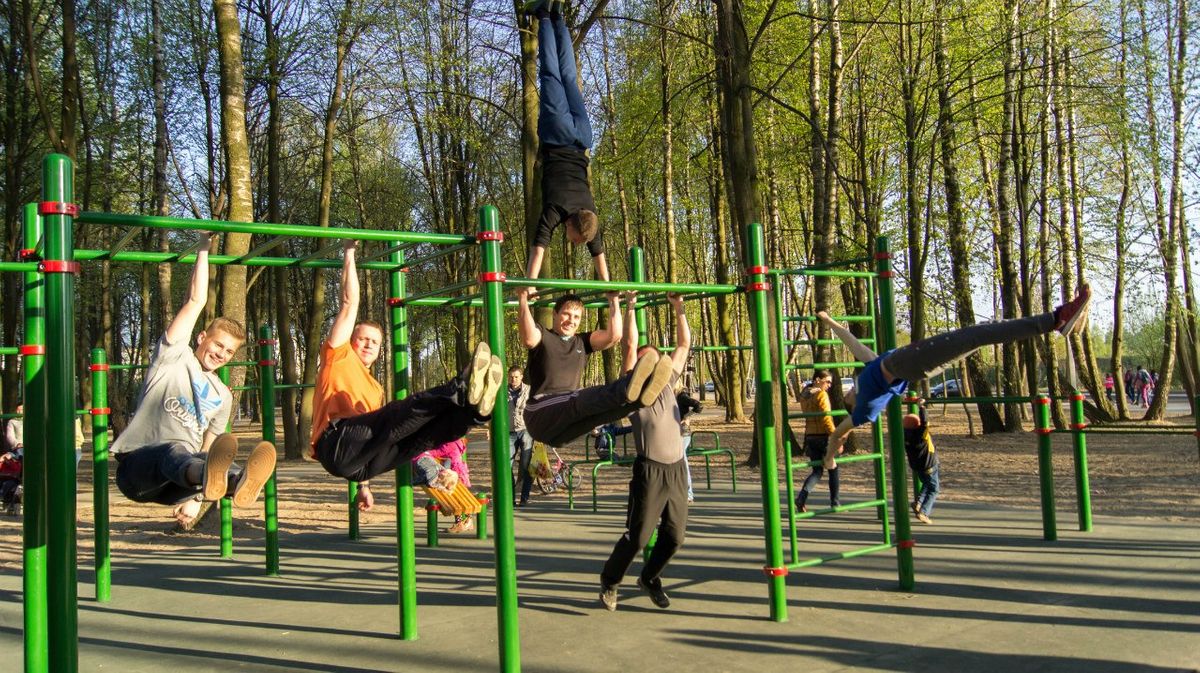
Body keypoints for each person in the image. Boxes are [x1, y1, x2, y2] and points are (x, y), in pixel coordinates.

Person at [310, 240, 504, 512]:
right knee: (399, 413)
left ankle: (474, 412)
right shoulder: (337, 356)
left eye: (374, 342)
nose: (367, 344)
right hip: (335, 442)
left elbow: (377, 437)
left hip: (360, 464)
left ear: (379, 350)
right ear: (350, 340)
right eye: (362, 338)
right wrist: (349, 253)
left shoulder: (374, 388)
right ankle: (459, 386)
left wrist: (364, 486)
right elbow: (348, 302)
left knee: (419, 437)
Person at [818, 284, 1092, 469]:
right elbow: (838, 435)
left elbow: (853, 343)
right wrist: (830, 458)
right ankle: (1056, 319)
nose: (847, 391)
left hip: (914, 360)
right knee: (978, 333)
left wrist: (829, 322)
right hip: (912, 362)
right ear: (852, 403)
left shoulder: (870, 371)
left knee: (980, 333)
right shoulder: (866, 409)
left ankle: (1059, 320)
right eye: (846, 395)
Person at [112, 232, 276, 525]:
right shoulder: (173, 357)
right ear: (201, 337)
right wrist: (203, 247)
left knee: (213, 462)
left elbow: (209, 449)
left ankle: (239, 482)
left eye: (228, 351)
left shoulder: (223, 395)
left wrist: (194, 498)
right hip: (138, 469)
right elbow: (195, 299)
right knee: (174, 451)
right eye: (217, 344)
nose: (221, 353)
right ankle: (216, 480)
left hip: (180, 482)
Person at [599, 292, 691, 612]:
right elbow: (628, 346)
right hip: (649, 470)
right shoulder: (634, 393)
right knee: (638, 538)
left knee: (675, 536)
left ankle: (650, 577)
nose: (652, 363)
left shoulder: (668, 384)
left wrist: (678, 309)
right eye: (646, 360)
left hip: (677, 468)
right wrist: (631, 306)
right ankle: (610, 580)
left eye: (656, 359)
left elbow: (683, 346)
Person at [518, 288, 673, 447]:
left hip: (560, 432)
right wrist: (523, 299)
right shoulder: (544, 336)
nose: (571, 320)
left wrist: (613, 301)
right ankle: (628, 385)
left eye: (576, 317)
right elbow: (529, 338)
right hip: (540, 414)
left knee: (605, 414)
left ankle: (640, 398)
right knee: (580, 399)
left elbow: (614, 336)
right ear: (555, 314)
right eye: (566, 314)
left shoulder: (581, 342)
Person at [522, 0, 609, 282]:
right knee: (551, 74)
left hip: (583, 138)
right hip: (557, 135)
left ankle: (559, 19)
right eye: (574, 240)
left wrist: (610, 288)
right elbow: (539, 249)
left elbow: (600, 256)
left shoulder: (590, 214)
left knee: (570, 79)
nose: (572, 242)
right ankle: (544, 16)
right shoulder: (555, 210)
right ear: (571, 226)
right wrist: (530, 285)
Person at [793, 370, 840, 513]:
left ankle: (802, 497)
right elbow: (826, 418)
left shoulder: (805, 396)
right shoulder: (821, 394)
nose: (829, 385)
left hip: (810, 436)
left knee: (818, 471)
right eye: (827, 381)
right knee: (833, 468)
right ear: (817, 380)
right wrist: (835, 436)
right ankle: (835, 502)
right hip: (823, 437)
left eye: (831, 382)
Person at [413, 437, 475, 534]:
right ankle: (468, 521)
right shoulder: (457, 442)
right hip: (460, 474)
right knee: (462, 500)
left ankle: (461, 523)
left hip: (454, 476)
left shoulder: (449, 444)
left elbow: (438, 452)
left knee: (457, 501)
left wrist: (427, 453)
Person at [902, 400, 939, 524]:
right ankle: (924, 512)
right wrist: (921, 406)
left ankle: (918, 502)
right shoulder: (921, 435)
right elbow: (925, 422)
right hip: (929, 465)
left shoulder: (903, 434)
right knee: (934, 489)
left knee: (926, 483)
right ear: (917, 426)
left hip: (917, 466)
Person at [507, 365, 535, 507]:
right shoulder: (502, 392)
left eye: (516, 376)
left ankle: (524, 497)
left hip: (526, 431)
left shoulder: (529, 390)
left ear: (521, 377)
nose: (514, 379)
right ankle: (510, 498)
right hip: (510, 432)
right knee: (507, 465)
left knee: (526, 465)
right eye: (511, 377)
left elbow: (536, 409)